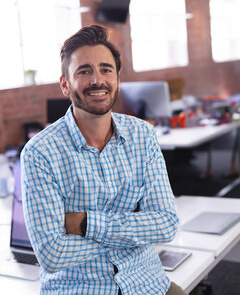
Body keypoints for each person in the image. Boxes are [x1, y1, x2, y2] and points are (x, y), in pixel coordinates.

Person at [21, 25, 186, 295]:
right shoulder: (40, 153)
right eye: (84, 71)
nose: (97, 80)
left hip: (147, 283)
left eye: (106, 69)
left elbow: (166, 224)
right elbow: (52, 254)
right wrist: (135, 233)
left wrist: (85, 224)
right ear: (65, 85)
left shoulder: (142, 135)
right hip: (79, 289)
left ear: (117, 79)